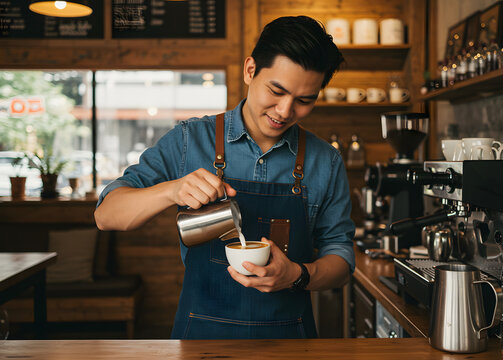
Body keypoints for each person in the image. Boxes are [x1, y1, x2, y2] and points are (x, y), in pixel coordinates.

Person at [94, 15, 355, 340]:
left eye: (305, 101)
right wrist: (171, 190)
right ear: (250, 70)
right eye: (276, 90)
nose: (285, 111)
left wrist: (298, 275)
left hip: (290, 342)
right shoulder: (190, 140)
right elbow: (106, 215)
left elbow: (341, 257)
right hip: (201, 336)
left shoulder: (325, 161)